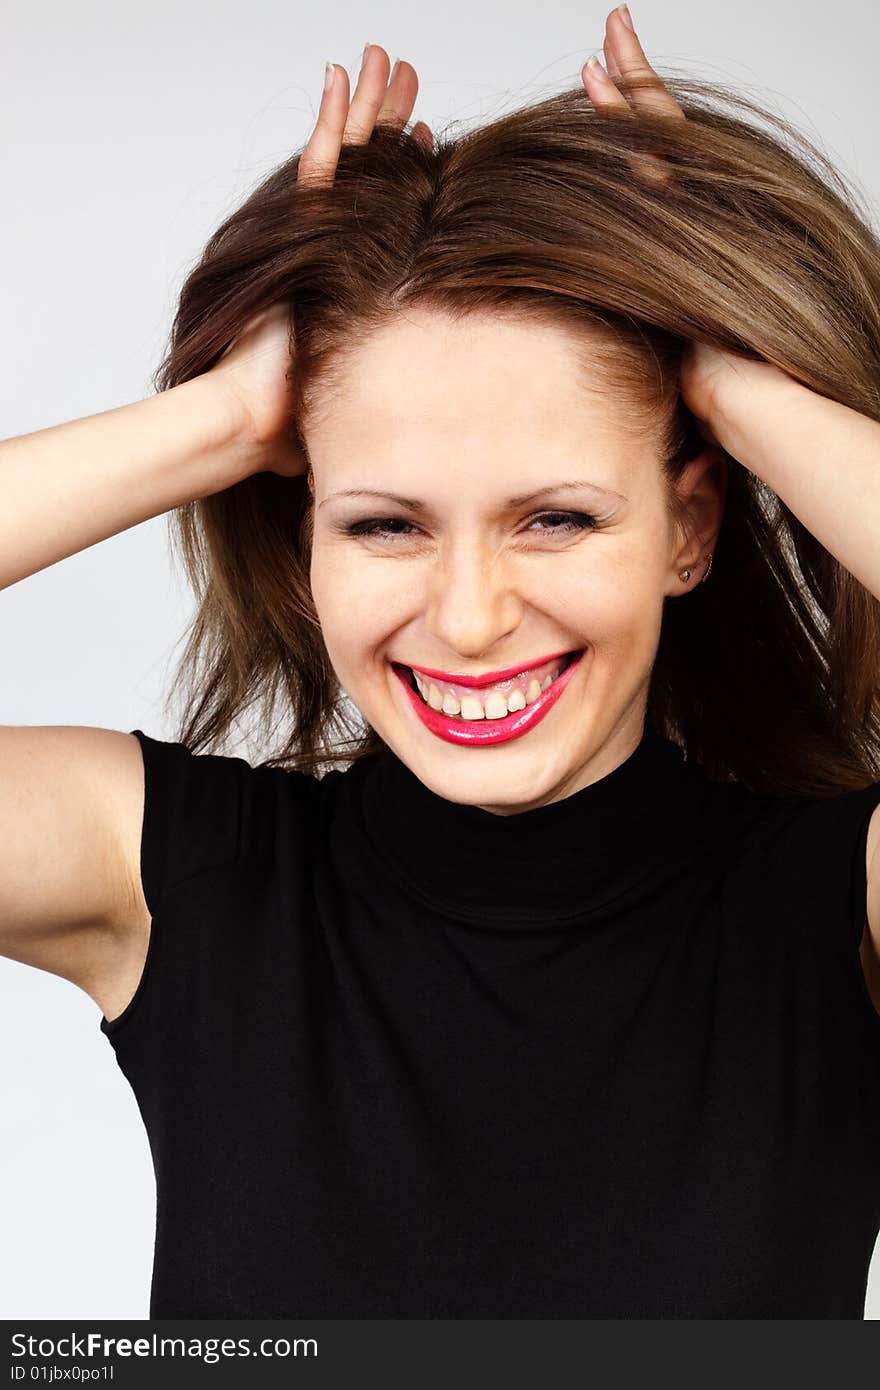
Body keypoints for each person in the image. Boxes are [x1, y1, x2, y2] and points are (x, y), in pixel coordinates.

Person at [2, 4, 880, 1319]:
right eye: (386, 523)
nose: (470, 617)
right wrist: (216, 420)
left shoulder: (832, 914)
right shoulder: (172, 879)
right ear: (307, 536)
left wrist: (727, 367)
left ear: (691, 527)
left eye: (559, 515)